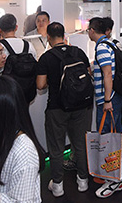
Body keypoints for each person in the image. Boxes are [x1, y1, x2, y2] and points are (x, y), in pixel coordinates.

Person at [37, 22, 92, 196]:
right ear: (64, 35)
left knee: (56, 147)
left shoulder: (46, 57)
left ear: (48, 37)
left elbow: (40, 85)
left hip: (57, 107)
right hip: (82, 106)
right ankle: (83, 181)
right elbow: (87, 74)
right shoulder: (78, 52)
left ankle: (58, 185)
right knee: (80, 144)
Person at [88, 17, 122, 198]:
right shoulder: (111, 44)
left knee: (108, 137)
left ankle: (113, 179)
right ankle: (117, 173)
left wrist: (107, 99)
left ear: (92, 30)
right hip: (114, 97)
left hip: (109, 98)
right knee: (115, 134)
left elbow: (108, 74)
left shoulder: (102, 47)